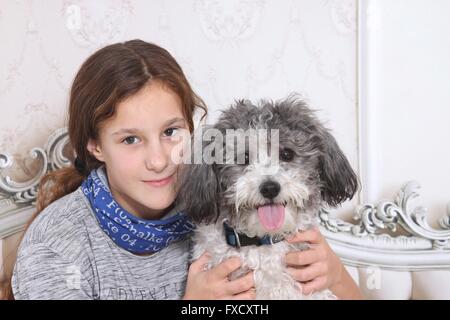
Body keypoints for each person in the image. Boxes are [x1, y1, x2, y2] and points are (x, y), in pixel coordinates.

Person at [2, 39, 361, 300]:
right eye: (130, 140)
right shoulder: (57, 246)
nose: (159, 160)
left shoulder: (220, 213)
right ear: (94, 146)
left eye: (171, 132)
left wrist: (339, 278)